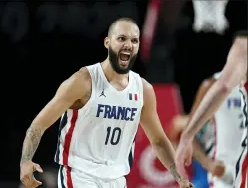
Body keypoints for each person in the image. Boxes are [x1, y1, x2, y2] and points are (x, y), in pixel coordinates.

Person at [19, 17, 194, 188]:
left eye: (134, 40)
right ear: (107, 43)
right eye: (122, 38)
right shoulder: (83, 81)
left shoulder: (143, 90)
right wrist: (25, 160)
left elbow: (158, 140)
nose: (128, 45)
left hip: (116, 179)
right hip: (80, 175)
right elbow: (38, 125)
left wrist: (179, 176)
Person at [175, 31, 248, 188]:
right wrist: (209, 164)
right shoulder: (212, 85)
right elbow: (182, 127)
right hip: (224, 171)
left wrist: (186, 138)